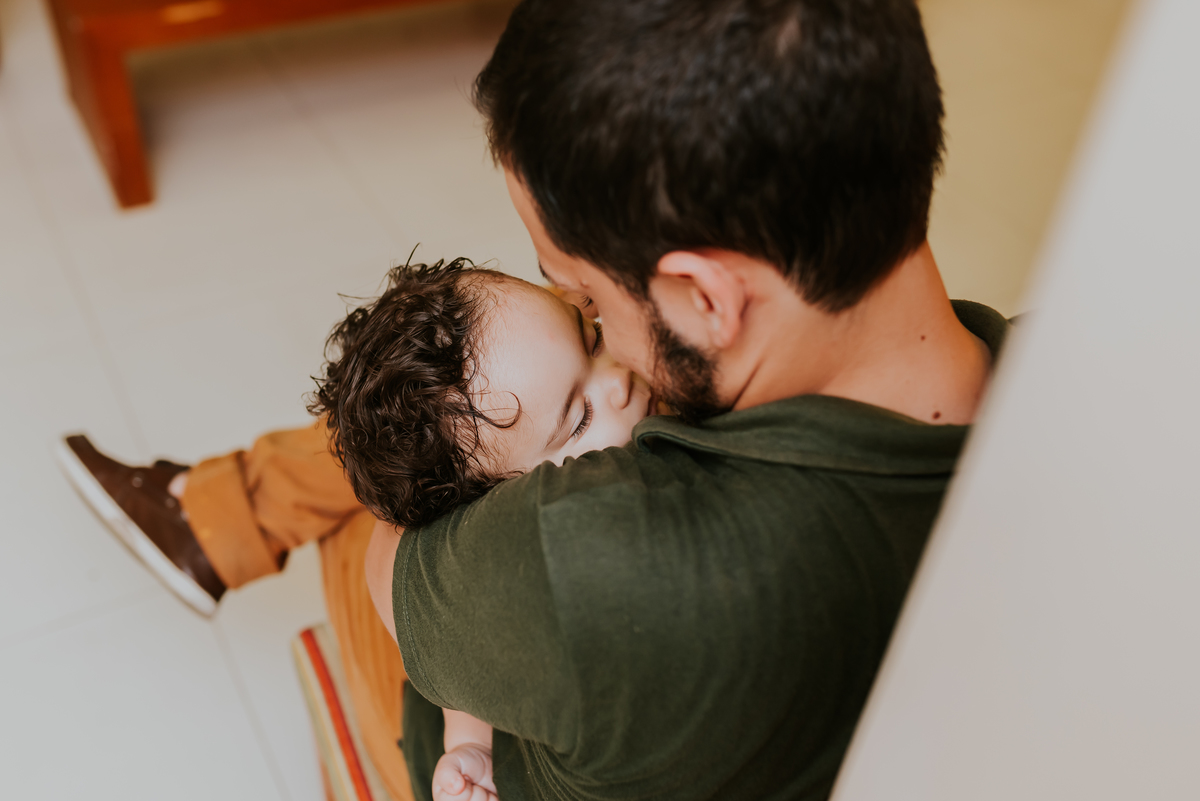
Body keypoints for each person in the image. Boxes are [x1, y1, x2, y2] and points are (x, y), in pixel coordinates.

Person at [60, 1, 1012, 799]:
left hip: (470, 729)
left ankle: (216, 514)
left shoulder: (597, 560)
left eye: (588, 297)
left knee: (407, 464)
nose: (594, 323)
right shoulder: (1030, 379)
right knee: (488, 377)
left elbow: (398, 553)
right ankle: (215, 510)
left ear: (708, 297)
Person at [308, 256, 656, 801]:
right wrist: (470, 748)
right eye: (580, 418)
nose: (618, 377)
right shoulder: (501, 591)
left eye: (592, 339)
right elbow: (462, 689)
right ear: (498, 520)